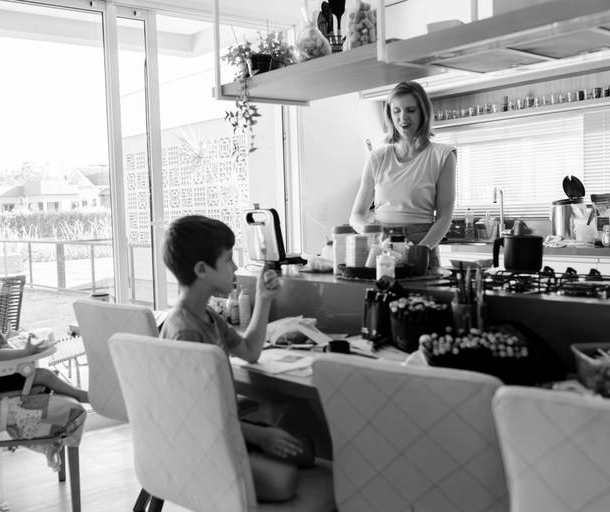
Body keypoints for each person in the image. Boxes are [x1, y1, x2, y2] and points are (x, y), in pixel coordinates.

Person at [160, 215, 312, 503]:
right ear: (202, 269)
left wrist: (264, 299)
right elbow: (195, 418)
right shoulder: (184, 332)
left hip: (227, 431)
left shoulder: (208, 316)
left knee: (306, 451)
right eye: (228, 259)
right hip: (205, 444)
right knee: (285, 480)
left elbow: (250, 352)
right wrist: (259, 436)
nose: (235, 267)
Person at [349, 80, 456, 268]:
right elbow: (356, 216)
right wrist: (374, 233)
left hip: (422, 243)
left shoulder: (443, 156)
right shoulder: (377, 158)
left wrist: (421, 250)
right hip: (382, 246)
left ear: (423, 112)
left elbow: (444, 217)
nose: (403, 117)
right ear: (389, 115)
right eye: (396, 111)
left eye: (411, 110)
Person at [0, 264, 88, 403]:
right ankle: (82, 396)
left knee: (46, 377)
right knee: (46, 375)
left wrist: (5, 338)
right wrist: (26, 351)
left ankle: (73, 398)